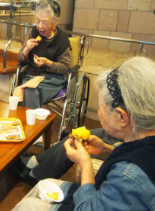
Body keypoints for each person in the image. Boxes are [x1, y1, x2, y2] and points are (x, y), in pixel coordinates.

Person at [13, 56, 155, 210]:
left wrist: (85, 163)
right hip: (104, 195)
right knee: (42, 185)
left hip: (91, 203)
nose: (99, 113)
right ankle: (34, 170)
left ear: (121, 117)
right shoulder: (142, 142)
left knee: (29, 205)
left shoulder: (128, 176)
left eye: (101, 108)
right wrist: (106, 149)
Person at [17, 0, 71, 109]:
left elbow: (65, 67)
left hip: (52, 80)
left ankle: (31, 123)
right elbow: (20, 60)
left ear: (55, 22)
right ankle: (28, 120)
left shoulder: (62, 39)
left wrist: (48, 63)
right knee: (21, 91)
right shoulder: (32, 33)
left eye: (44, 22)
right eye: (37, 21)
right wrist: (26, 49)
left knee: (30, 91)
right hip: (32, 75)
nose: (40, 26)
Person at [19, 128, 121, 183]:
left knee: (74, 144)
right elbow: (124, 148)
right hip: (116, 138)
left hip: (120, 138)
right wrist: (105, 148)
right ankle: (34, 162)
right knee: (73, 136)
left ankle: (36, 175)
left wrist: (84, 163)